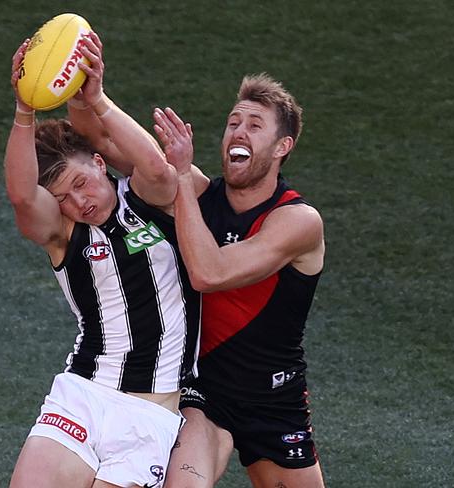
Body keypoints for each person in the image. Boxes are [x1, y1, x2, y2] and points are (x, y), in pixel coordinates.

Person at [4, 31, 200, 488]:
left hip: (151, 413)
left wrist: (97, 99)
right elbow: (20, 194)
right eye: (63, 197)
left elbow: (156, 166)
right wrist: (24, 110)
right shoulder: (65, 234)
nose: (79, 201)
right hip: (84, 394)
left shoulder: (150, 200)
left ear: (98, 162)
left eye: (80, 182)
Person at [152, 74, 326, 487]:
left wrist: (179, 180)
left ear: (283, 146)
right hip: (205, 393)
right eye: (234, 122)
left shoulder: (298, 221)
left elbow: (209, 273)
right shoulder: (199, 194)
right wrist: (94, 101)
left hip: (274, 401)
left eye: (254, 125)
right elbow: (125, 152)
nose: (238, 131)